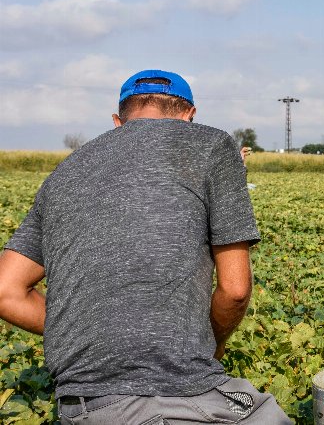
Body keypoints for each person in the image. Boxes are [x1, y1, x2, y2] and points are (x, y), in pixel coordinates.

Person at [0, 70, 291, 424]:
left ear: (118, 121)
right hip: (170, 399)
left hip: (82, 408)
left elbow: (5, 291)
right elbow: (235, 290)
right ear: (190, 116)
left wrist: (93, 331)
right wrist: (211, 345)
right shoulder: (211, 145)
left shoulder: (63, 172)